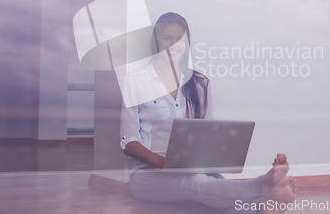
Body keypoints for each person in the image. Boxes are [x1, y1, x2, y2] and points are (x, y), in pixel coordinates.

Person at [120, 12, 297, 214]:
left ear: (187, 44)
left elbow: (208, 134)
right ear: (156, 41)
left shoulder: (199, 83)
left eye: (180, 39)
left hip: (194, 168)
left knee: (212, 191)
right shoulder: (135, 81)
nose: (173, 45)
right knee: (199, 185)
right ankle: (261, 186)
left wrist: (210, 159)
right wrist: (164, 163)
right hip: (148, 175)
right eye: (167, 38)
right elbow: (128, 141)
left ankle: (262, 208)